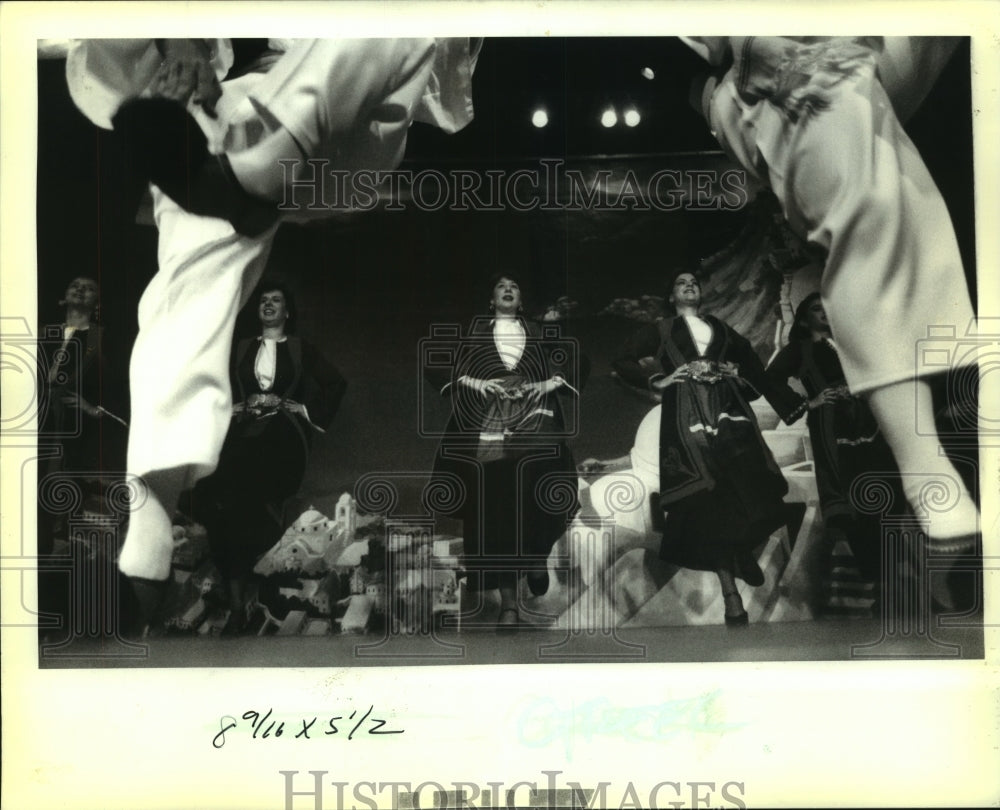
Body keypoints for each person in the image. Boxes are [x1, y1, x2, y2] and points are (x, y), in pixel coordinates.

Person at [63, 38, 480, 616]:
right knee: (185, 277)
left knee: (393, 16)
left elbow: (326, 389)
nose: (270, 310)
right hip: (235, 116)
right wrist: (183, 47)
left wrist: (300, 417)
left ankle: (250, 178)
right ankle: (151, 523)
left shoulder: (301, 350)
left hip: (347, 128)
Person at [682, 36, 980, 559]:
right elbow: (772, 371)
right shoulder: (796, 333)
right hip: (775, 67)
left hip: (875, 42)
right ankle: (919, 457)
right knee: (858, 173)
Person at [613, 271, 806, 626]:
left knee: (750, 481)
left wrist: (745, 380)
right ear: (671, 296)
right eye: (681, 283)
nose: (689, 285)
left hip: (728, 408)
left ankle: (740, 549)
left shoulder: (719, 327)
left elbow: (750, 362)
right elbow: (623, 359)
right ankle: (731, 592)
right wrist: (660, 379)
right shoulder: (661, 329)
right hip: (687, 413)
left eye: (694, 283)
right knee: (706, 498)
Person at [425, 274, 580, 632]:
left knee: (549, 483)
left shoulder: (539, 331)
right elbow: (441, 364)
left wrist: (545, 382)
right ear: (492, 301)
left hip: (536, 414)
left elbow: (570, 359)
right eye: (500, 286)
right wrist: (480, 383)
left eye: (515, 286)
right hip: (488, 419)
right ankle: (509, 605)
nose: (509, 289)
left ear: (521, 301)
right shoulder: (476, 331)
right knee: (496, 510)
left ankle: (538, 552)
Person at [189, 281, 346, 635]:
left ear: (288, 311)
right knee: (219, 501)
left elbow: (336, 383)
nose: (269, 304)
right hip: (241, 437)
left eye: (277, 300)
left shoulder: (301, 349)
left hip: (282, 441)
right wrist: (233, 408)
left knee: (243, 498)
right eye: (263, 300)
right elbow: (211, 386)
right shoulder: (241, 348)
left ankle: (245, 600)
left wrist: (302, 409)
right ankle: (236, 604)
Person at [766, 292, 899, 605]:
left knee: (881, 496)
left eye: (827, 307)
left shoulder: (851, 343)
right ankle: (878, 581)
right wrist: (807, 403)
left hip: (869, 423)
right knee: (853, 503)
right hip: (832, 430)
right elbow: (769, 379)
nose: (824, 312)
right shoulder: (799, 350)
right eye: (816, 308)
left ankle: (884, 582)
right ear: (802, 319)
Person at [38, 276, 127, 550]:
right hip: (38, 417)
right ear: (64, 296)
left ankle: (53, 549)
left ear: (96, 302)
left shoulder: (102, 338)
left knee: (59, 488)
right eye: (75, 285)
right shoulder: (44, 331)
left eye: (89, 288)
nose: (80, 289)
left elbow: (118, 384)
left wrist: (93, 408)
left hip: (75, 426)